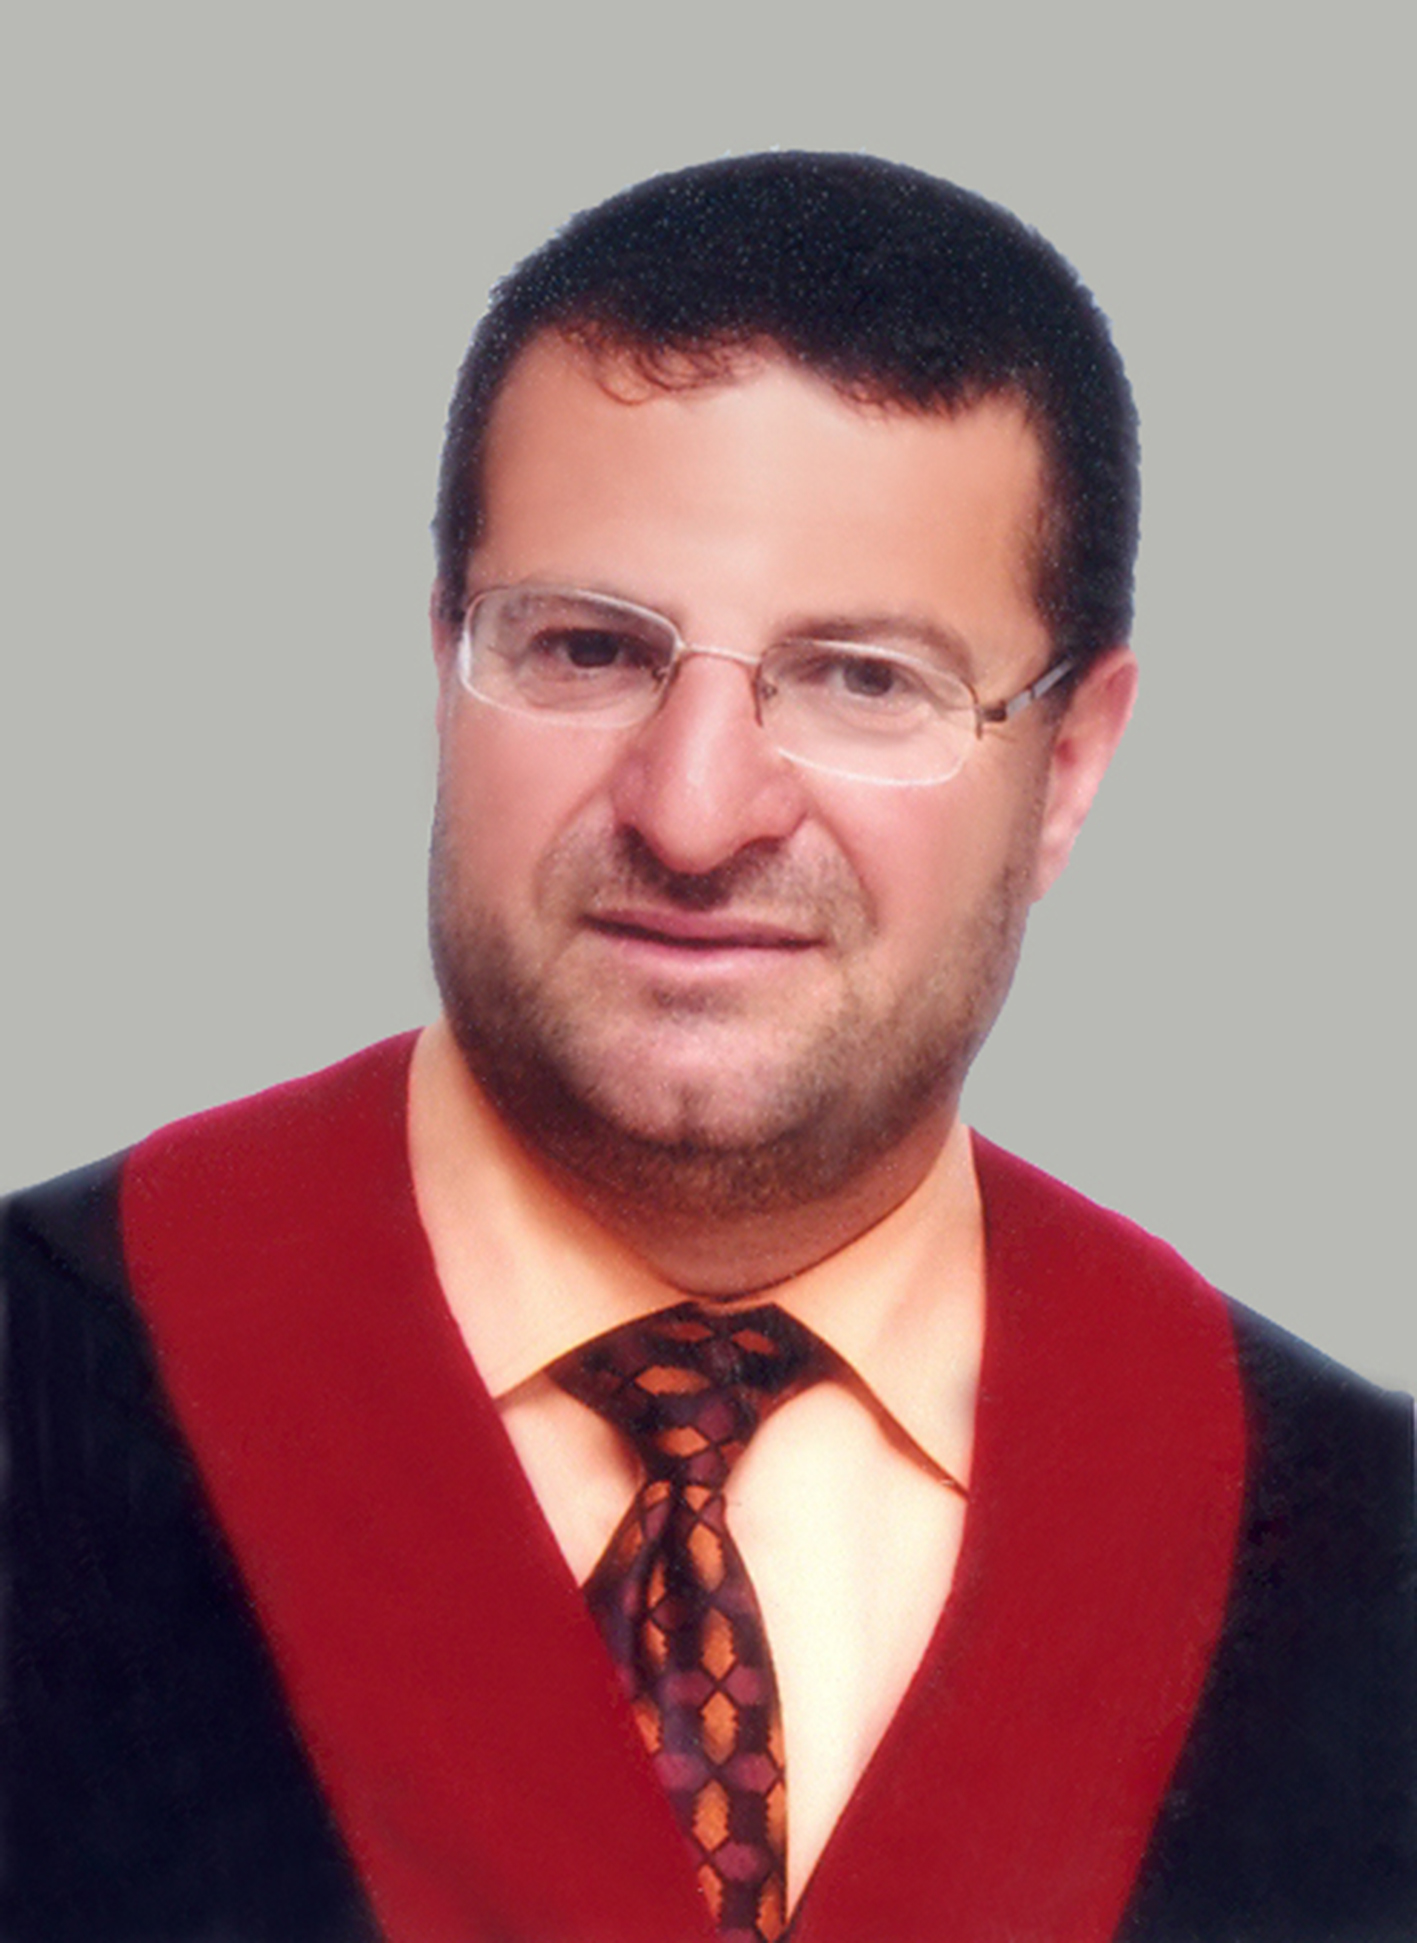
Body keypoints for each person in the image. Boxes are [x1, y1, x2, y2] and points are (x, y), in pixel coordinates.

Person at [3, 152, 1412, 1943]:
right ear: (443, 662)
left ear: (1065, 769)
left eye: (865, 678)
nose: (692, 812)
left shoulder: (1360, 1560)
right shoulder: (49, 1370)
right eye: (588, 648)